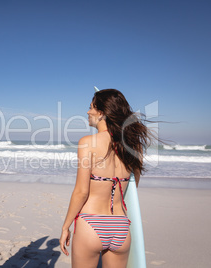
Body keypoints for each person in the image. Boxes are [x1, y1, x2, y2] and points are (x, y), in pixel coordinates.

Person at [59, 89, 152, 268]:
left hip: (91, 224)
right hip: (121, 227)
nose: (87, 112)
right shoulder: (133, 146)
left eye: (91, 107)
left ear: (102, 113)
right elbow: (132, 189)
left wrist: (66, 226)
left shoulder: (87, 143)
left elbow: (81, 192)